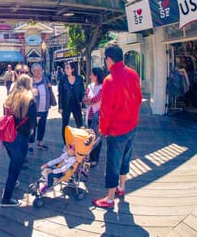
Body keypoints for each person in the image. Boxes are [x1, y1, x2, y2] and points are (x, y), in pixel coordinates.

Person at [92, 44, 142, 209]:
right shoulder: (133, 73)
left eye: (105, 59)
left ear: (109, 59)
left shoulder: (110, 80)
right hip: (132, 126)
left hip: (116, 130)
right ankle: (121, 187)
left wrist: (103, 130)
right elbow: (138, 98)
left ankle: (110, 198)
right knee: (125, 158)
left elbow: (105, 110)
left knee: (112, 163)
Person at [0, 74, 37, 208]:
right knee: (15, 168)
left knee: (14, 163)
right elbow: (33, 124)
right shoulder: (30, 99)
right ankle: (6, 198)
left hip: (7, 136)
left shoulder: (10, 98)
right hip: (20, 138)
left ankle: (13, 182)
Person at [58, 61, 84, 144]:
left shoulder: (79, 78)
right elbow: (60, 93)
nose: (66, 70)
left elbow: (82, 92)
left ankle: (81, 142)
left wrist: (83, 106)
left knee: (80, 123)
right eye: (65, 68)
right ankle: (66, 143)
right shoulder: (63, 80)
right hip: (66, 104)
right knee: (65, 124)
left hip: (76, 104)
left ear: (72, 69)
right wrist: (60, 107)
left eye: (68, 68)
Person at [83, 67, 105, 167]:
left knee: (97, 138)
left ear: (96, 76)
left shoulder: (103, 87)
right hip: (89, 115)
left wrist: (88, 100)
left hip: (98, 115)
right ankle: (89, 157)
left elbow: (96, 99)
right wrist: (86, 100)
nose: (90, 76)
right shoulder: (89, 86)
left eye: (91, 74)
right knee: (89, 136)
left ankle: (95, 158)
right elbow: (85, 97)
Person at [29, 63, 53, 154]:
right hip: (34, 110)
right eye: (35, 71)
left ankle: (40, 142)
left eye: (39, 70)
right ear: (32, 72)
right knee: (32, 127)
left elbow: (50, 90)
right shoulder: (30, 82)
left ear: (41, 70)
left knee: (42, 126)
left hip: (44, 108)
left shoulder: (45, 79)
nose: (37, 72)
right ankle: (30, 145)